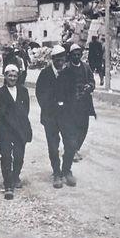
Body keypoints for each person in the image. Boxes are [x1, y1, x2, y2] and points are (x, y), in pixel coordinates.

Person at [35, 45, 77, 189]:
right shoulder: (45, 74)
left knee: (71, 144)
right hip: (50, 117)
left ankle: (67, 170)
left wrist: (67, 108)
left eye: (63, 58)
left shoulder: (69, 73)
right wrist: (51, 108)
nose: (61, 61)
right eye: (58, 59)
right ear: (53, 59)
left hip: (66, 116)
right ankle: (57, 173)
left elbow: (73, 94)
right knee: (53, 147)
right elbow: (40, 94)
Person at [0, 64, 32, 200]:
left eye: (15, 76)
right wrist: (10, 118)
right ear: (5, 76)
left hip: (20, 130)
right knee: (6, 157)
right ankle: (8, 185)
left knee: (19, 156)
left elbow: (26, 110)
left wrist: (18, 121)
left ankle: (15, 176)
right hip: (5, 130)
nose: (12, 78)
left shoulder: (23, 91)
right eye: (10, 75)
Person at [60, 44, 96, 164]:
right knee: (72, 128)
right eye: (74, 54)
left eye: (78, 54)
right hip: (71, 104)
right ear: (70, 55)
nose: (76, 56)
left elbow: (92, 80)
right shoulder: (66, 69)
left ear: (81, 55)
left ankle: (76, 148)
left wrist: (89, 86)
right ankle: (71, 150)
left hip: (84, 103)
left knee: (83, 127)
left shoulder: (86, 67)